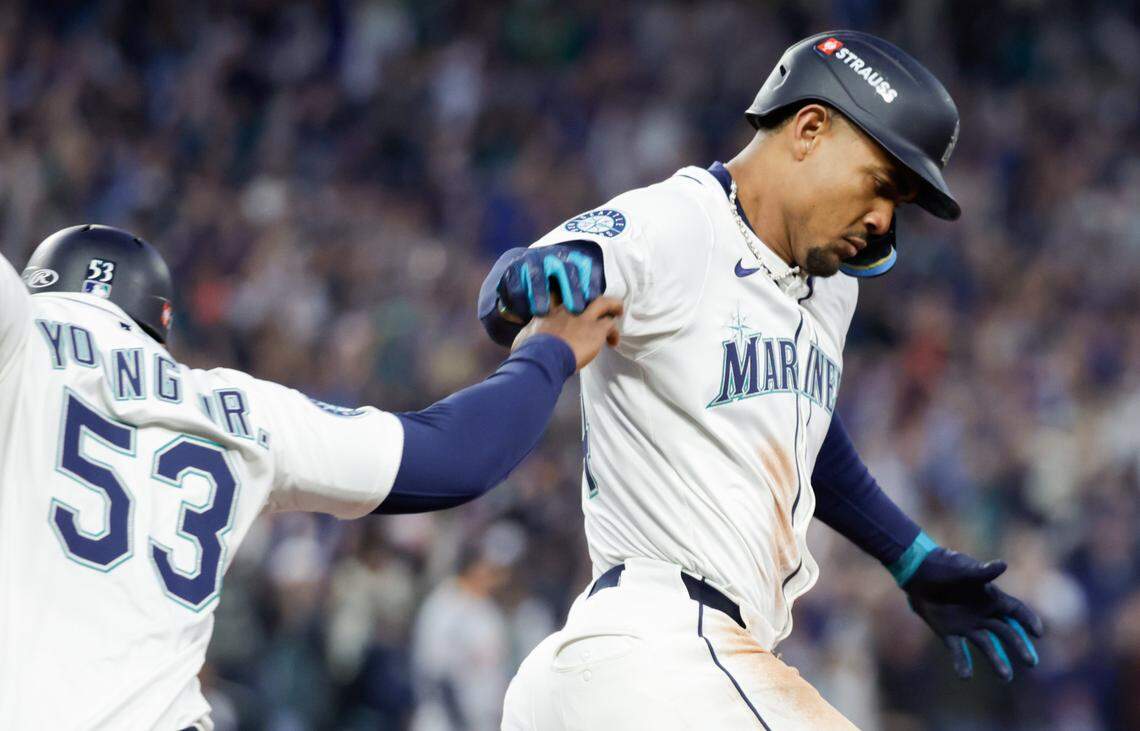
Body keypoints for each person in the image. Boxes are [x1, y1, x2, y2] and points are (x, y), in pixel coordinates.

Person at [477, 31, 1044, 730]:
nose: (884, 221)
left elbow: (801, 431)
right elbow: (532, 278)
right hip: (655, 644)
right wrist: (525, 284)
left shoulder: (832, 287)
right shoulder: (680, 223)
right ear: (809, 128)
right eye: (881, 185)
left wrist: (910, 555)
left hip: (676, 666)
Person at [0, 223, 621, 730]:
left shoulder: (20, 343)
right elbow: (459, 455)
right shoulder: (235, 406)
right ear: (158, 325)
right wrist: (550, 349)